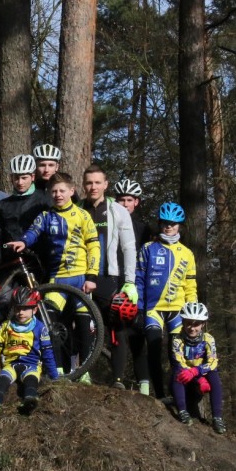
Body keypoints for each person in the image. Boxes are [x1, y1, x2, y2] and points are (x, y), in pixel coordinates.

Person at [5, 173, 100, 376]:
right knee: (51, 324)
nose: (58, 195)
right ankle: (55, 370)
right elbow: (33, 232)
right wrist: (23, 242)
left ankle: (84, 373)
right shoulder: (46, 216)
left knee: (84, 325)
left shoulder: (83, 216)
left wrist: (92, 277)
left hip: (81, 279)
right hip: (57, 279)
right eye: (54, 191)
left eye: (62, 191)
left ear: (72, 191)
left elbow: (94, 247)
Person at [80, 165, 137, 389]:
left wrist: (130, 282)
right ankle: (83, 374)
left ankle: (118, 379)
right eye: (89, 183)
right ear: (84, 185)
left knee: (116, 327)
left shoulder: (117, 210)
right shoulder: (77, 208)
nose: (93, 187)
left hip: (109, 276)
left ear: (105, 185)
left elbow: (129, 247)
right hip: (82, 275)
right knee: (83, 324)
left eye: (97, 182)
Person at [136, 202, 198, 400]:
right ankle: (159, 394)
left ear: (179, 225)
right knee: (153, 350)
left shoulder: (187, 253)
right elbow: (139, 278)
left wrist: (192, 310)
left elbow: (190, 286)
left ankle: (179, 396)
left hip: (178, 310)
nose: (168, 227)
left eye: (172, 223)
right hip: (153, 308)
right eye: (164, 223)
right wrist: (139, 306)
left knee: (177, 355)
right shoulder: (148, 248)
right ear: (159, 223)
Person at [0, 287, 59, 415]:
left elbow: (47, 353)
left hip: (32, 366)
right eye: (17, 308)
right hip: (10, 365)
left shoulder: (41, 328)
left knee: (31, 379)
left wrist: (55, 377)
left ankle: (30, 399)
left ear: (35, 309)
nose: (20, 312)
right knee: (1, 380)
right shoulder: (5, 326)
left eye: (25, 308)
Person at [114, 177, 152, 394]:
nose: (125, 204)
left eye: (129, 200)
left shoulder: (143, 228)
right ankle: (116, 378)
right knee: (116, 333)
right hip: (114, 283)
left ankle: (145, 385)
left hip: (136, 286)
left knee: (138, 336)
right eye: (121, 200)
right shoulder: (110, 223)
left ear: (136, 202)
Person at [170, 302, 225, 434]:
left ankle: (217, 417)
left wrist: (198, 373)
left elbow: (213, 362)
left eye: (196, 324)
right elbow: (179, 362)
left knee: (214, 375)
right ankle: (182, 411)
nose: (192, 328)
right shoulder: (177, 339)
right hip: (184, 373)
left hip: (200, 373)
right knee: (177, 373)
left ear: (203, 324)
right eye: (188, 323)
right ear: (183, 322)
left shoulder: (208, 339)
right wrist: (192, 373)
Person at [0, 154, 50, 265]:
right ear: (11, 178)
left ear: (32, 177)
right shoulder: (2, 205)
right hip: (11, 260)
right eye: (16, 178)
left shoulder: (44, 200)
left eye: (24, 178)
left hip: (38, 260)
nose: (20, 182)